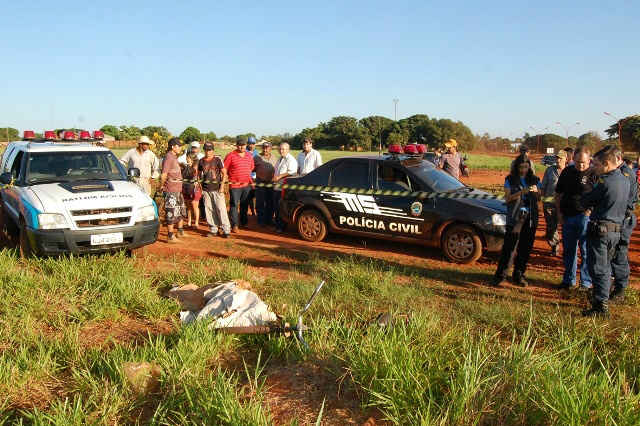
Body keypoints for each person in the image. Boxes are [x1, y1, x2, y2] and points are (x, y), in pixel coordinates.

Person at [579, 146, 630, 317]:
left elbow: (585, 200)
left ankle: (601, 305)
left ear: (607, 163)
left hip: (601, 230)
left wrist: (587, 189)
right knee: (606, 266)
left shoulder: (604, 182)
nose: (594, 168)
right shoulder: (625, 180)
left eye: (597, 165)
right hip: (616, 229)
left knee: (598, 268)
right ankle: (603, 298)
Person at [491, 155, 541, 287]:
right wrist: (520, 192)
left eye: (526, 167)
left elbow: (539, 198)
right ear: (516, 167)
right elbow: (507, 198)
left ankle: (519, 275)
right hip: (515, 216)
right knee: (509, 247)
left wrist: (536, 191)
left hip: (530, 217)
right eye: (521, 167)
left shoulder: (534, 180)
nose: (524, 170)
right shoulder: (510, 180)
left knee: (525, 248)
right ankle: (501, 275)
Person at [553, 147, 598, 290]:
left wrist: (590, 210)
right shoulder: (567, 172)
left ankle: (585, 282)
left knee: (585, 251)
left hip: (584, 218)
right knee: (569, 251)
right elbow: (558, 193)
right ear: (573, 159)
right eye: (578, 162)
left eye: (583, 162)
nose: (580, 165)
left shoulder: (594, 174)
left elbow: (601, 195)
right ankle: (568, 280)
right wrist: (559, 213)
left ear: (589, 160)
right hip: (567, 217)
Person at [608, 146, 638, 304]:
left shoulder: (626, 174)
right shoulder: (613, 173)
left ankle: (620, 289)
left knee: (619, 253)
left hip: (622, 220)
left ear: (618, 159)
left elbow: (628, 201)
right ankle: (609, 285)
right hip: (612, 219)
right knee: (610, 253)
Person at [158, 137, 188, 243]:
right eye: (178, 146)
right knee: (171, 211)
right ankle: (170, 236)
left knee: (180, 210)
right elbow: (164, 175)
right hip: (170, 189)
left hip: (178, 189)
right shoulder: (169, 157)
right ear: (173, 147)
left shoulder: (174, 157)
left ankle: (180, 231)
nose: (180, 147)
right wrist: (161, 185)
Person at [199, 142, 231, 238]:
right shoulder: (201, 161)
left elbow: (224, 173)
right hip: (206, 189)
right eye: (206, 150)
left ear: (212, 150)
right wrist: (200, 187)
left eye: (209, 150)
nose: (207, 152)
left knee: (221, 209)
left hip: (217, 189)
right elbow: (198, 174)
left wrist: (222, 186)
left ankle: (226, 230)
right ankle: (213, 229)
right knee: (209, 209)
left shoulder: (217, 159)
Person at [224, 136, 255, 233]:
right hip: (234, 186)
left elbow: (251, 168)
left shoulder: (249, 156)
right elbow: (224, 169)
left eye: (243, 145)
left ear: (246, 145)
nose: (242, 147)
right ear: (236, 145)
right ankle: (234, 224)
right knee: (234, 205)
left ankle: (244, 223)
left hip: (246, 185)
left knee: (245, 204)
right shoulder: (230, 155)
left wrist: (247, 178)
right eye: (240, 145)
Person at [540, 150, 567, 256]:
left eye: (561, 158)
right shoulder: (549, 170)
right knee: (551, 228)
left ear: (566, 159)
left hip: (565, 205)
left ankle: (567, 250)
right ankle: (555, 247)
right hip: (550, 204)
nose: (558, 160)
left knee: (567, 228)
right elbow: (543, 186)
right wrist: (543, 201)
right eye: (557, 158)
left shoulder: (570, 171)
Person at [272, 142, 297, 233]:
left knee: (281, 208)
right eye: (280, 149)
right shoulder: (280, 158)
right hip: (276, 187)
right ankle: (277, 226)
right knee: (276, 207)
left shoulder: (291, 159)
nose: (281, 151)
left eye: (283, 149)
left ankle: (281, 227)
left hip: (284, 188)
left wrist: (279, 176)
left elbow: (292, 172)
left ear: (288, 150)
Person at [255, 141, 278, 226]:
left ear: (270, 149)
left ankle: (269, 219)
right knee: (260, 201)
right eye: (264, 148)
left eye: (267, 148)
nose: (265, 150)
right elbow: (251, 168)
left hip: (271, 183)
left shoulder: (275, 158)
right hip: (260, 182)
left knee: (270, 202)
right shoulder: (257, 158)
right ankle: (261, 220)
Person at [181, 152, 202, 228]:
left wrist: (189, 166)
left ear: (191, 158)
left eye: (187, 157)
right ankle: (189, 222)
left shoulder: (196, 166)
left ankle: (196, 222)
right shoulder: (187, 167)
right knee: (188, 205)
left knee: (194, 205)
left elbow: (193, 173)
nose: (186, 159)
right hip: (186, 188)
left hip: (194, 189)